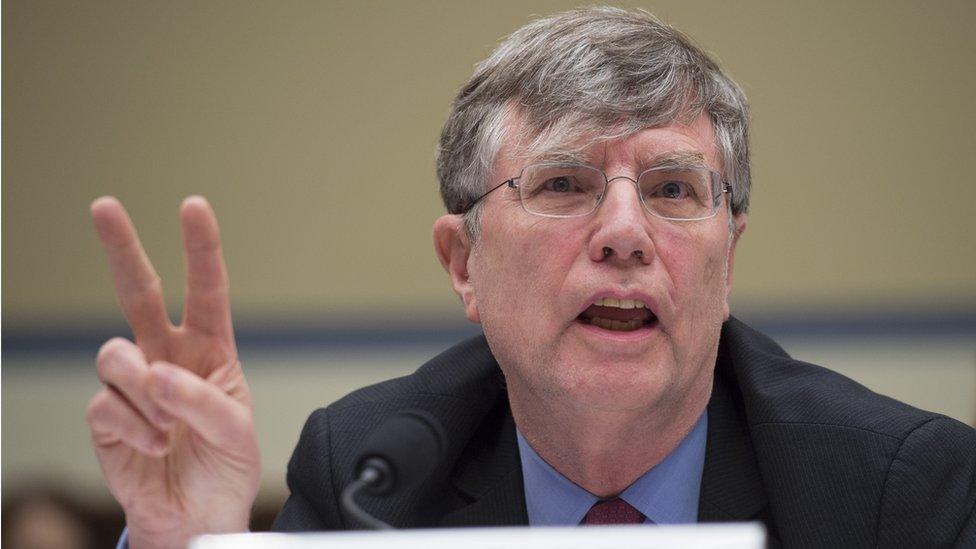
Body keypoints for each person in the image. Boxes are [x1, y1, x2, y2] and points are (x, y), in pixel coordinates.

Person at [86, 7, 976, 548]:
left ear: (728, 257)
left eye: (672, 189)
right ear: (462, 262)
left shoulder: (893, 488)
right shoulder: (371, 473)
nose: (626, 233)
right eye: (562, 184)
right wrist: (185, 542)